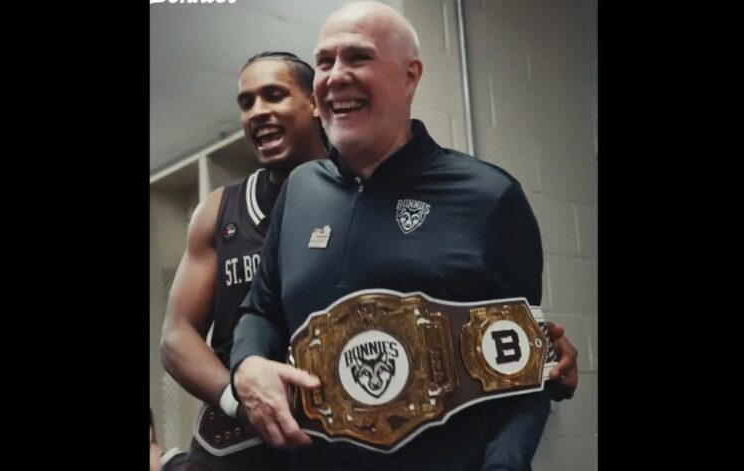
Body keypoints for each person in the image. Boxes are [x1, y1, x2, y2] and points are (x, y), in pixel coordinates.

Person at [229, 2, 579, 470]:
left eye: (358, 57)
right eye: (325, 61)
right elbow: (260, 309)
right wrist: (246, 364)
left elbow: (529, 373)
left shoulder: (490, 197)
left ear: (410, 75)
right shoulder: (300, 191)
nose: (335, 76)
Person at [159, 51, 327, 471]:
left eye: (274, 95)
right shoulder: (219, 211)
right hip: (234, 444)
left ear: (314, 102)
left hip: (332, 435)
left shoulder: (358, 194)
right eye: (247, 102)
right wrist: (240, 399)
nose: (257, 111)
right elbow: (177, 336)